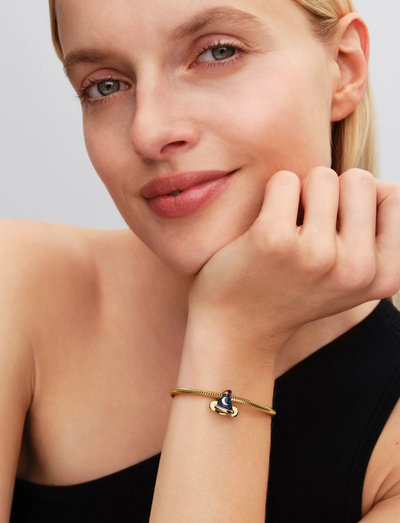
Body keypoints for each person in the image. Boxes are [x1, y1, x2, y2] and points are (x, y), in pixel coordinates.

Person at [3, 0, 400, 521]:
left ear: (343, 69)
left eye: (218, 52)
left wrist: (234, 334)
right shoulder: (16, 285)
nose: (148, 132)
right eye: (105, 85)